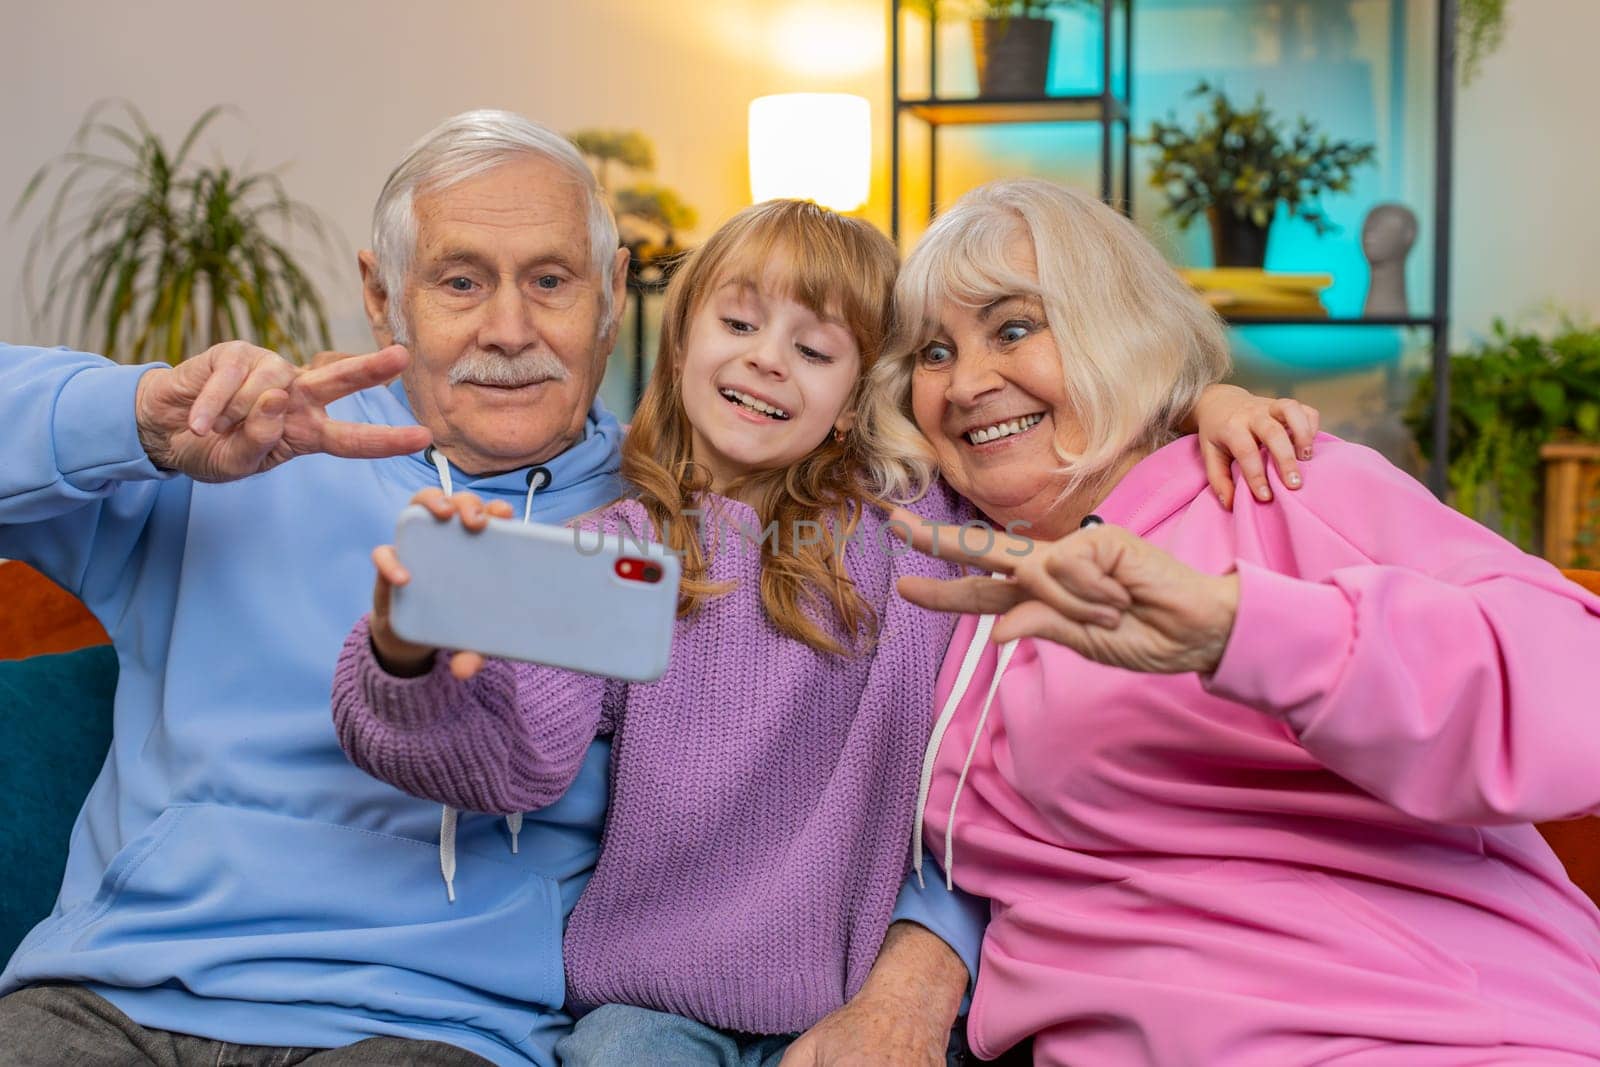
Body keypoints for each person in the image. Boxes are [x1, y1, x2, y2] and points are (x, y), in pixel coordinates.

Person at [0, 111, 971, 1067]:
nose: (509, 330)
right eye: (461, 281)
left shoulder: (664, 524)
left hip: (430, 1023)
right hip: (113, 991)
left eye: (550, 281)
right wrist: (135, 415)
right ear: (382, 298)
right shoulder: (231, 448)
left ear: (611, 295)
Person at [867, 177, 1600, 1064]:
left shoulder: (1279, 480)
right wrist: (921, 957)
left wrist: (1239, 630)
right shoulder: (936, 569)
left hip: (1428, 1029)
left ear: (1117, 328)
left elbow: (1578, 697)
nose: (969, 382)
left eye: (1015, 329)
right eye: (934, 352)